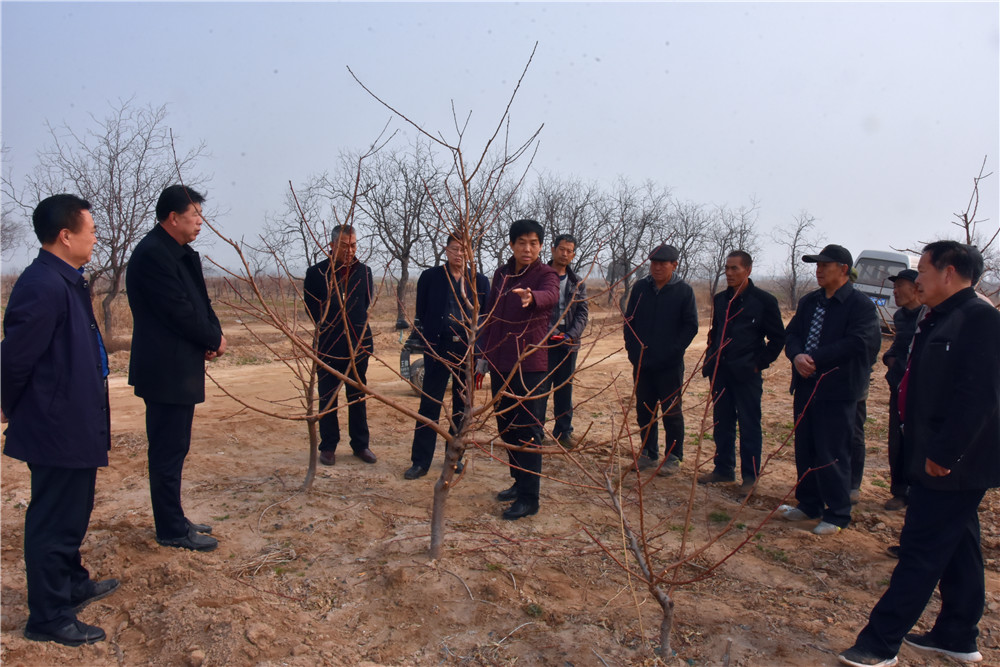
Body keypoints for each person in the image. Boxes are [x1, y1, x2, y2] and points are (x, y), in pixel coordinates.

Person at [839, 241, 1000, 667]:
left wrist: (945, 453)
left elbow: (979, 396)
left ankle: (879, 644)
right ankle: (957, 635)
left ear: (949, 273)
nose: (917, 280)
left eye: (923, 271)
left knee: (920, 548)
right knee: (960, 545)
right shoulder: (938, 317)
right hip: (935, 453)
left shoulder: (979, 318)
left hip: (954, 461)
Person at [2, 194, 119, 645]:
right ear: (66, 236)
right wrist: (7, 404)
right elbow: (15, 359)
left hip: (73, 421)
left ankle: (71, 583)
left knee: (73, 512)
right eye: (91, 230)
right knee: (53, 521)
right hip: (56, 427)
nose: (95, 238)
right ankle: (48, 617)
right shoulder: (42, 285)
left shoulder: (66, 280)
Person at [127, 185, 225, 552]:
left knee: (176, 448)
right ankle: (170, 529)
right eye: (194, 215)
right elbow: (178, 311)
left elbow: (199, 302)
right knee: (167, 452)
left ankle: (176, 518)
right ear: (173, 217)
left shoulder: (177, 252)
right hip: (164, 370)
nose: (200, 222)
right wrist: (212, 338)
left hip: (178, 367)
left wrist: (213, 335)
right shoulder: (153, 255)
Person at [780, 244, 878, 536]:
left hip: (838, 389)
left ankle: (837, 513)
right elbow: (792, 334)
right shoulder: (811, 301)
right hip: (806, 384)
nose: (819, 270)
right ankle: (809, 504)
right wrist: (797, 356)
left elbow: (859, 342)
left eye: (825, 265)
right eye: (817, 265)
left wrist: (815, 358)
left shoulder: (860, 306)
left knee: (832, 451)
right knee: (806, 447)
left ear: (844, 269)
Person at [481, 219, 559, 520]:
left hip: (529, 365)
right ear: (511, 244)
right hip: (501, 363)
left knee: (528, 432)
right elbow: (491, 315)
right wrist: (483, 354)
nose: (528, 248)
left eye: (534, 243)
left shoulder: (545, 274)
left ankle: (530, 498)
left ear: (540, 246)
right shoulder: (501, 274)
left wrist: (532, 297)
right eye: (522, 243)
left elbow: (551, 295)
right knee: (507, 427)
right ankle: (518, 481)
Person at [403, 233, 490, 480]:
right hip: (438, 347)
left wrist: (480, 351)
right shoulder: (430, 277)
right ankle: (420, 461)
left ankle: (454, 457)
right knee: (429, 403)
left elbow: (485, 318)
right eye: (454, 249)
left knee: (462, 406)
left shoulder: (479, 281)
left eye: (464, 250)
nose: (459, 254)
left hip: (467, 350)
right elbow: (422, 311)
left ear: (470, 252)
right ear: (446, 250)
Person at [698, 250, 785, 493]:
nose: (729, 273)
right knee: (722, 422)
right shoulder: (720, 299)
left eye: (734, 268)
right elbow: (715, 332)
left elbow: (778, 339)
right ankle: (723, 469)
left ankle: (750, 477)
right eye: (726, 268)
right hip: (720, 372)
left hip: (747, 374)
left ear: (748, 270)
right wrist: (711, 357)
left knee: (749, 425)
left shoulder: (764, 301)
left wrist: (758, 364)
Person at [303, 224, 377, 467]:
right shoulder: (317, 273)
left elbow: (364, 304)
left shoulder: (364, 272)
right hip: (328, 345)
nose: (350, 250)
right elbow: (313, 310)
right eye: (344, 246)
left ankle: (361, 444)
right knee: (328, 396)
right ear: (332, 245)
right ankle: (328, 446)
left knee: (357, 395)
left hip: (358, 345)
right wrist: (332, 327)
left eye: (353, 245)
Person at [623, 243, 698, 474]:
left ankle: (673, 456)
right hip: (642, 363)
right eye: (653, 263)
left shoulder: (683, 291)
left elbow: (690, 326)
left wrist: (672, 352)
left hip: (669, 365)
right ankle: (648, 453)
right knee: (644, 410)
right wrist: (633, 352)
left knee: (671, 411)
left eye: (662, 264)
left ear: (674, 265)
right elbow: (629, 321)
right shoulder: (640, 288)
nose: (656, 268)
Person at [540, 233, 589, 449]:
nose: (565, 254)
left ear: (573, 255)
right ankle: (536, 431)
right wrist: (549, 332)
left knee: (564, 389)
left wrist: (571, 335)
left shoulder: (577, 282)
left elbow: (582, 313)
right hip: (543, 342)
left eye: (569, 251)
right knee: (539, 388)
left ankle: (563, 432)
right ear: (553, 250)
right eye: (561, 249)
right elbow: (536, 309)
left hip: (568, 344)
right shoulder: (540, 277)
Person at [881, 268, 921, 511]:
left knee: (918, 441)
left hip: (920, 389)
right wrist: (890, 359)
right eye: (894, 286)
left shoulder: (928, 315)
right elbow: (897, 346)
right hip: (899, 386)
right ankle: (899, 491)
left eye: (899, 286)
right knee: (897, 441)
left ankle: (917, 490)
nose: (894, 291)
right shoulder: (901, 316)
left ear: (916, 288)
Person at [847, 267, 885, 505]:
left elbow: (870, 346)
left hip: (854, 382)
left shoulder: (862, 307)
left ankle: (853, 485)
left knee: (853, 433)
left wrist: (860, 372)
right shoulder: (819, 302)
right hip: (825, 383)